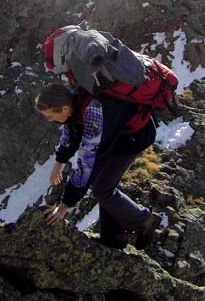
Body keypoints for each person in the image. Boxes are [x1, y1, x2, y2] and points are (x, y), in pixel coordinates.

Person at [36, 81, 161, 249]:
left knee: (102, 188)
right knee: (101, 185)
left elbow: (88, 162)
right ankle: (113, 237)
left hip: (132, 138)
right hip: (116, 135)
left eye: (50, 116)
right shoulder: (73, 102)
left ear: (64, 109)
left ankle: (145, 220)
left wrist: (64, 205)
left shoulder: (92, 111)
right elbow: (70, 134)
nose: (49, 120)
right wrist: (59, 162)